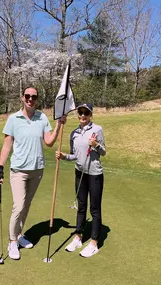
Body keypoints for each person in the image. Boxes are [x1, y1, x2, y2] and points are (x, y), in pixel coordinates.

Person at [0, 86, 66, 260]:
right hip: (18, 170)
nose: (30, 99)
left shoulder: (42, 117)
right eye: (27, 96)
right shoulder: (13, 119)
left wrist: (58, 125)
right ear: (22, 98)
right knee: (18, 206)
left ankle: (19, 235)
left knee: (26, 206)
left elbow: (49, 142)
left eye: (34, 97)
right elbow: (7, 145)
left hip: (37, 170)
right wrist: (0, 167)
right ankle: (12, 241)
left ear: (37, 99)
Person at [56, 103, 106, 258]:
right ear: (77, 114)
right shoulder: (74, 133)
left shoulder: (97, 130)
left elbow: (103, 152)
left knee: (95, 209)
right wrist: (64, 156)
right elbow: (75, 156)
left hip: (94, 174)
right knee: (81, 206)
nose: (83, 116)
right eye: (80, 113)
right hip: (80, 173)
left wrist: (96, 144)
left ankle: (94, 243)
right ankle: (78, 236)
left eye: (86, 113)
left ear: (90, 115)